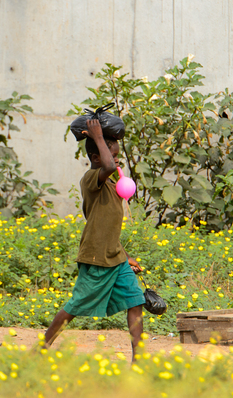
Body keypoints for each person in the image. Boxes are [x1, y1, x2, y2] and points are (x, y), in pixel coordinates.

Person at [44, 118, 145, 360]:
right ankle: (42, 345)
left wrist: (125, 256)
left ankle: (139, 360)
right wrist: (98, 136)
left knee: (135, 300)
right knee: (76, 305)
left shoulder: (111, 185)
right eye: (113, 155)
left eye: (118, 155)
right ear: (96, 157)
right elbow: (108, 166)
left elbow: (108, 227)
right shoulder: (91, 180)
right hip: (96, 257)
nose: (117, 160)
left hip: (115, 258)